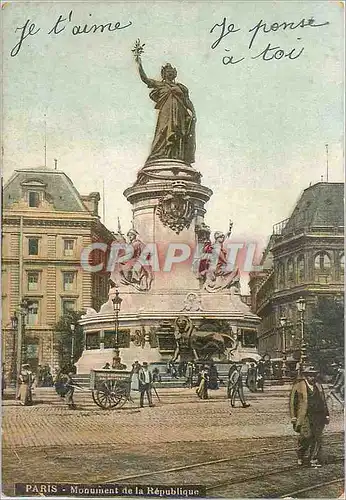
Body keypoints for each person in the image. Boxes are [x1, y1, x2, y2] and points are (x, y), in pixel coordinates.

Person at [134, 46, 196, 165]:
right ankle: (160, 154)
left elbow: (187, 101)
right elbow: (145, 79)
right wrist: (139, 63)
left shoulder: (181, 87)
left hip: (180, 114)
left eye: (172, 72)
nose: (170, 74)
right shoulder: (159, 85)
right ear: (163, 74)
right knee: (162, 132)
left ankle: (176, 156)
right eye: (168, 72)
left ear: (175, 74)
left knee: (179, 134)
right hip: (166, 113)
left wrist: (194, 113)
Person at [290, 366, 329, 467]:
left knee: (317, 437)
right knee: (306, 436)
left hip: (318, 415)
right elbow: (292, 403)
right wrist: (293, 416)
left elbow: (323, 401)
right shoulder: (298, 386)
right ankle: (300, 454)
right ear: (306, 376)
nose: (313, 377)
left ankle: (313, 459)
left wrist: (327, 414)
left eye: (314, 375)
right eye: (310, 375)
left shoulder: (319, 386)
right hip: (305, 416)